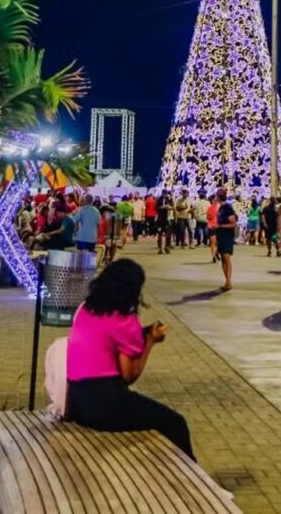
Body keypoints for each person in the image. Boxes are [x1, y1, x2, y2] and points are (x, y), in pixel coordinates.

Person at [66, 259, 194, 458]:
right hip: (103, 406)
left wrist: (141, 334)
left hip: (75, 400)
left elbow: (105, 338)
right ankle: (190, 474)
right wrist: (150, 340)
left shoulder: (85, 309)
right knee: (176, 423)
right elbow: (129, 375)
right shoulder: (125, 320)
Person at [215, 188, 237, 292]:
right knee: (223, 259)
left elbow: (233, 224)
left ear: (219, 197)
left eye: (216, 195)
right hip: (221, 236)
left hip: (227, 236)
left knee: (226, 257)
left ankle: (229, 281)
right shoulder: (220, 208)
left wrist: (220, 226)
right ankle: (227, 282)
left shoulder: (228, 208)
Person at [206, 194, 219, 262]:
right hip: (212, 226)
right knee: (213, 242)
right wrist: (212, 216)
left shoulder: (220, 207)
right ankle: (213, 256)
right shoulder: (210, 208)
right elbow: (207, 217)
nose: (216, 200)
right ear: (212, 200)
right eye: (214, 199)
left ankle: (216, 253)